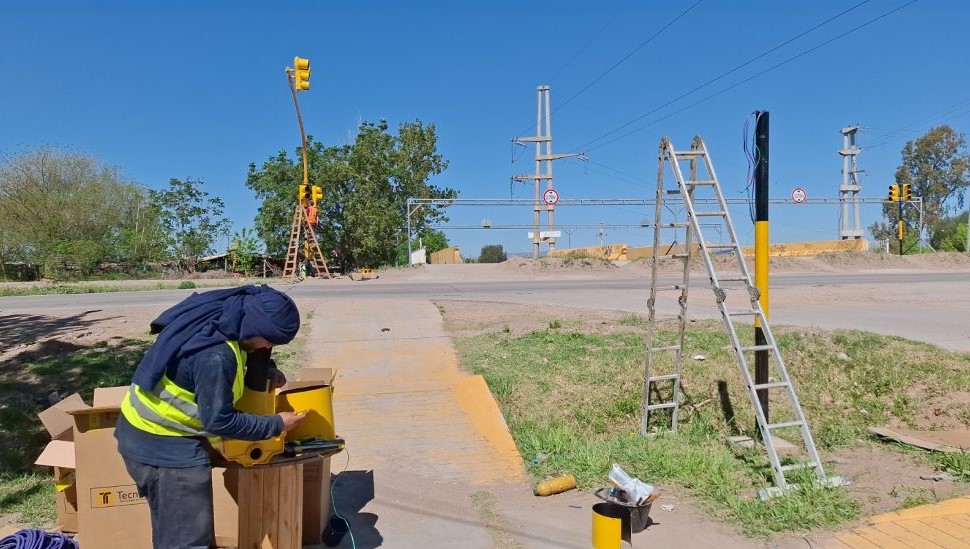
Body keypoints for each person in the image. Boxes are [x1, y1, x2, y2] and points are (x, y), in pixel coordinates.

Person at [115, 285, 307, 549]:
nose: (267, 346)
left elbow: (247, 352)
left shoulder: (226, 319)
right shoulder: (215, 355)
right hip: (163, 448)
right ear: (255, 325)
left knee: (172, 533)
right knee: (187, 541)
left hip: (150, 435)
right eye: (269, 340)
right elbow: (219, 421)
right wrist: (277, 424)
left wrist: (267, 369)